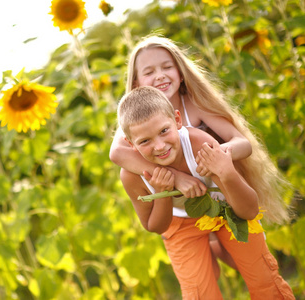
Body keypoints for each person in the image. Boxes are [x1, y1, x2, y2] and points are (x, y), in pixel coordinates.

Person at [117, 86, 294, 299]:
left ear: (177, 120)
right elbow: (154, 226)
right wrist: (164, 191)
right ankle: (209, 248)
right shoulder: (131, 176)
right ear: (130, 144)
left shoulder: (200, 145)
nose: (160, 146)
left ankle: (216, 247)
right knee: (198, 294)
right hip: (180, 225)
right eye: (145, 141)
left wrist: (227, 172)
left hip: (225, 209)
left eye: (164, 131)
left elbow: (249, 210)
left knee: (264, 277)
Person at [110, 35, 291, 224]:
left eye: (167, 67)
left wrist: (216, 156)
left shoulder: (195, 104)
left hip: (216, 187)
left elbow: (243, 144)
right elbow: (116, 153)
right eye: (149, 72)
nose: (160, 75)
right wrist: (176, 178)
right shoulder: (138, 121)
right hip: (182, 203)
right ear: (137, 84)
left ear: (180, 73)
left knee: (230, 240)